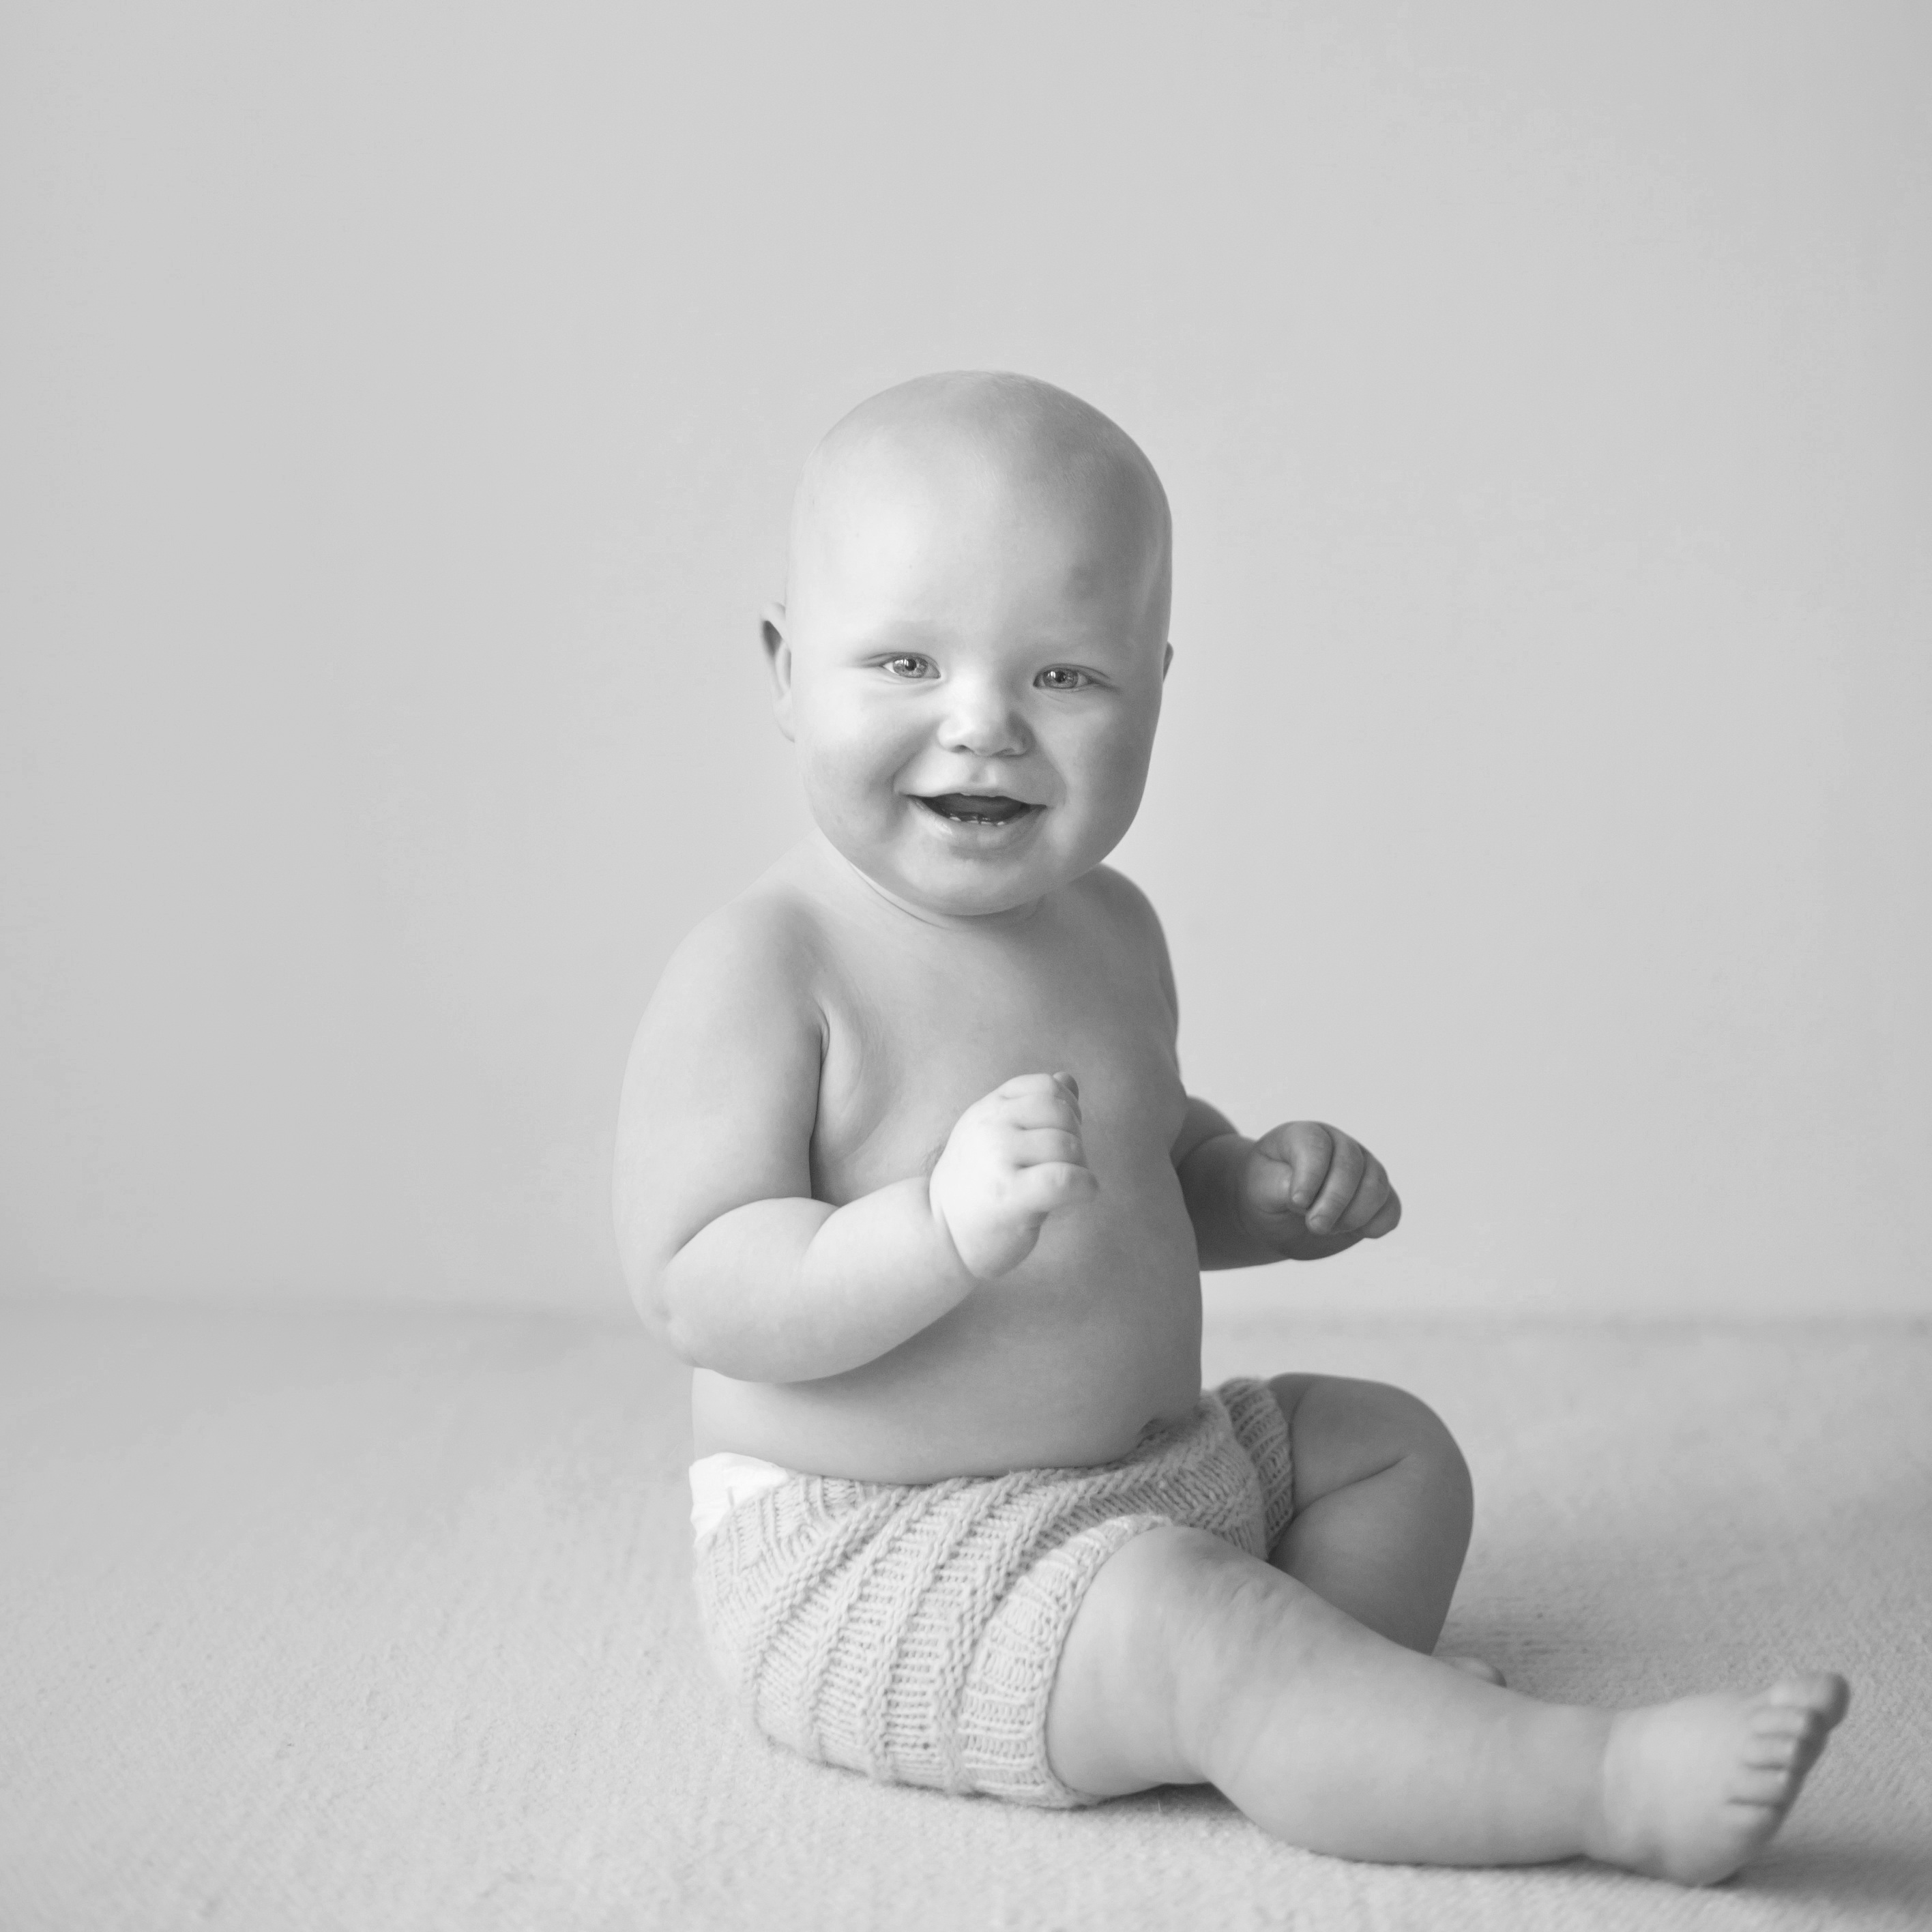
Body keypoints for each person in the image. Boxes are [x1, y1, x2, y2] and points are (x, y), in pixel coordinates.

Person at [613, 370, 1846, 1883]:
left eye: (1065, 676)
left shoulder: (1111, 927)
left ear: (1156, 684)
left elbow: (1138, 1169)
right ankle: (1593, 1785)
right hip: (890, 1560)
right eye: (906, 662)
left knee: (1394, 1456)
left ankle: (1338, 1715)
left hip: (1146, 1479)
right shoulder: (767, 966)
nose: (986, 724)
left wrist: (1246, 1188)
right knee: (1195, 1621)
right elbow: (699, 1281)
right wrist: (932, 1231)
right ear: (788, 671)